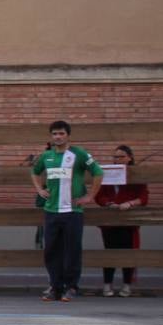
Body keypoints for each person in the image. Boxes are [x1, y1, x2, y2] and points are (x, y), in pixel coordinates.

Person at [31, 121, 103, 302]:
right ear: (51, 136)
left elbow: (98, 172)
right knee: (51, 250)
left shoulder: (78, 154)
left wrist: (90, 196)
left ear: (68, 135)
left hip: (73, 211)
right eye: (55, 134)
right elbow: (34, 172)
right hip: (51, 211)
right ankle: (55, 286)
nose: (58, 137)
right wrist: (40, 189)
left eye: (61, 133)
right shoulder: (46, 156)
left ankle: (71, 287)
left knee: (72, 250)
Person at [94, 144, 148, 297]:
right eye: (115, 157)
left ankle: (126, 285)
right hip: (110, 221)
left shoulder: (137, 175)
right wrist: (108, 203)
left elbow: (143, 197)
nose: (117, 160)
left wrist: (130, 203)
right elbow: (99, 195)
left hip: (128, 220)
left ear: (129, 158)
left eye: (121, 157)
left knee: (128, 254)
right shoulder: (108, 173)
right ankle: (107, 285)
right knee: (109, 253)